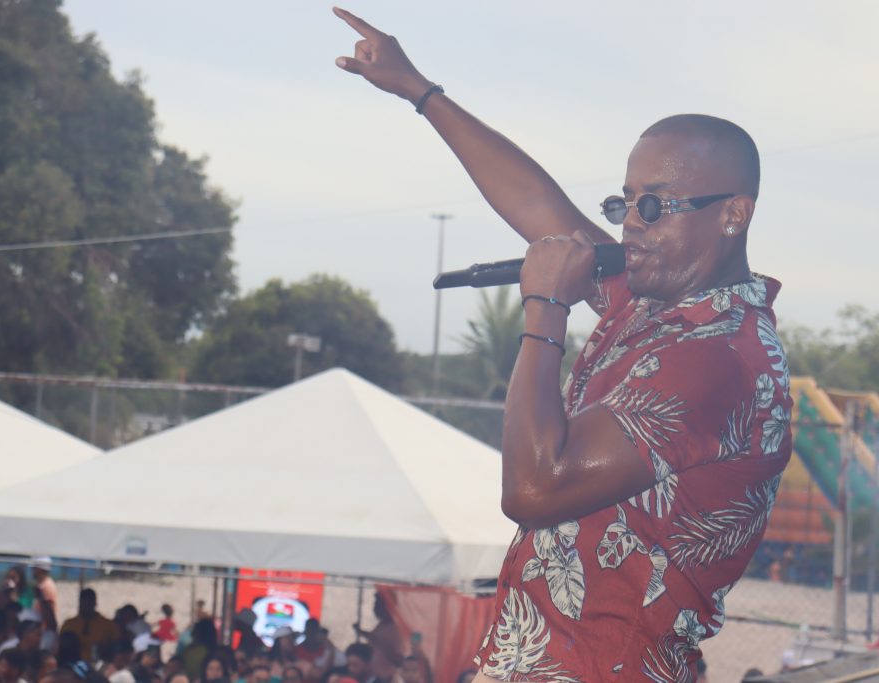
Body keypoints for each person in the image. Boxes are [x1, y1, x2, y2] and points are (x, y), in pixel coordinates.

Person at [334, 8, 792, 682]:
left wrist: (546, 307)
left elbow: (534, 486)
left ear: (733, 214)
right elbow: (541, 210)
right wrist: (420, 92)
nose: (631, 226)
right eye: (625, 203)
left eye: (655, 206)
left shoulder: (718, 359)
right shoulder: (659, 303)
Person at [60, 590, 121, 664]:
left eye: (88, 605)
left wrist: (106, 649)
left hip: (100, 664)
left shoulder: (108, 625)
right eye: (83, 605)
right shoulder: (69, 624)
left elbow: (118, 647)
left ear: (95, 604)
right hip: (73, 664)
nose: (86, 608)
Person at [30, 558, 58, 650]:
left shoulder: (46, 586)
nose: (32, 571)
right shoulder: (44, 585)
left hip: (45, 630)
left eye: (34, 568)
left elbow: (48, 610)